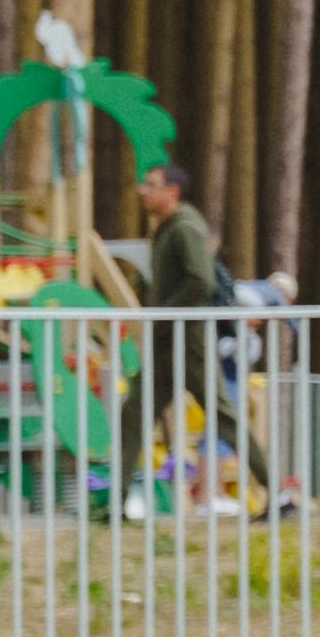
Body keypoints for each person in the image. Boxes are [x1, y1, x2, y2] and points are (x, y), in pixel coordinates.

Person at [118, 163, 270, 516]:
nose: (143, 190)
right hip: (169, 341)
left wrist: (166, 312)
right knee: (134, 413)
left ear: (172, 192)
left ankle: (275, 491)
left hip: (188, 340)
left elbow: (201, 282)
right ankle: (117, 501)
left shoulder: (184, 228)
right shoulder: (170, 229)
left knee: (224, 418)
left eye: (151, 185)